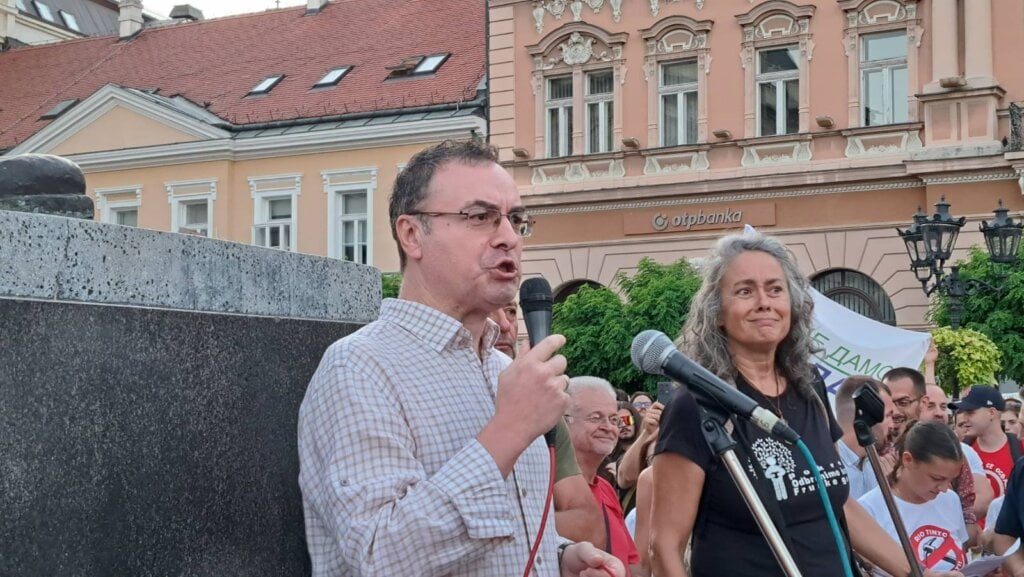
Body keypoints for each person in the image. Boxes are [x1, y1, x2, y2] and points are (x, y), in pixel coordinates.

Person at [297, 140, 623, 577]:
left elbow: (500, 531)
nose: (508, 237)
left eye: (516, 219)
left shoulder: (501, 371)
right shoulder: (360, 367)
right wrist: (508, 432)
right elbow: (378, 556)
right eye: (479, 217)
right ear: (411, 234)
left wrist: (558, 556)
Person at [649, 231, 962, 577]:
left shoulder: (808, 386)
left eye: (775, 289)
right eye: (744, 291)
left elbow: (836, 500)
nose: (764, 302)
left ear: (792, 305)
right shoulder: (696, 405)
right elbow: (664, 546)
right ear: (718, 313)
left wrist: (916, 572)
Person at [491, 302, 607, 549]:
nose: (504, 324)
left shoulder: (544, 412)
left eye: (511, 311)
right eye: (491, 310)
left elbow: (589, 525)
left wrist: (490, 530)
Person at [858, 422, 968, 573]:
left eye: (951, 480)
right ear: (908, 460)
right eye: (936, 478)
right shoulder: (868, 509)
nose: (943, 488)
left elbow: (960, 555)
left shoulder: (951, 500)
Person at [566, 377, 643, 576]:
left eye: (614, 419)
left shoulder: (606, 488)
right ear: (564, 422)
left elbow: (632, 563)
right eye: (595, 417)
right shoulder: (549, 489)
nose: (608, 427)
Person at [920, 383, 991, 549]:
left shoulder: (963, 452)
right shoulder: (889, 454)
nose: (939, 413)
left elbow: (982, 499)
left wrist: (957, 515)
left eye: (943, 406)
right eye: (931, 406)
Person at [952, 387, 1024, 518]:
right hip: (971, 535)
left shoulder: (1020, 448)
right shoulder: (960, 451)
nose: (964, 417)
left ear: (991, 413)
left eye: (971, 412)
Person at [833, 376, 896, 500]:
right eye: (888, 415)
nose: (892, 425)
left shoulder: (877, 465)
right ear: (864, 416)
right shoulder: (828, 468)